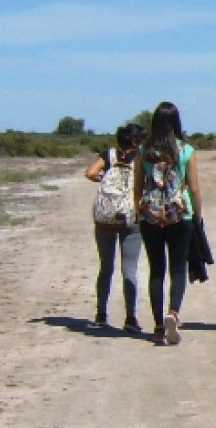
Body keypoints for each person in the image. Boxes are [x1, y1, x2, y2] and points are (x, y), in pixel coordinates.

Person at [133, 101, 203, 345]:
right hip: (179, 213)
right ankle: (173, 312)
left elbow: (139, 184)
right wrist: (198, 214)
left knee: (156, 270)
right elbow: (193, 187)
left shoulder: (144, 151)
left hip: (151, 215)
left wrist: (137, 211)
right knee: (177, 268)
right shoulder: (186, 150)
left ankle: (158, 326)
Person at [84, 122, 146, 332]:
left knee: (106, 267)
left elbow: (90, 172)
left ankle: (101, 314)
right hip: (130, 220)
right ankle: (130, 318)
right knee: (129, 269)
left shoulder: (109, 155)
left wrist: (105, 181)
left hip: (105, 220)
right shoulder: (140, 159)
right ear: (136, 141)